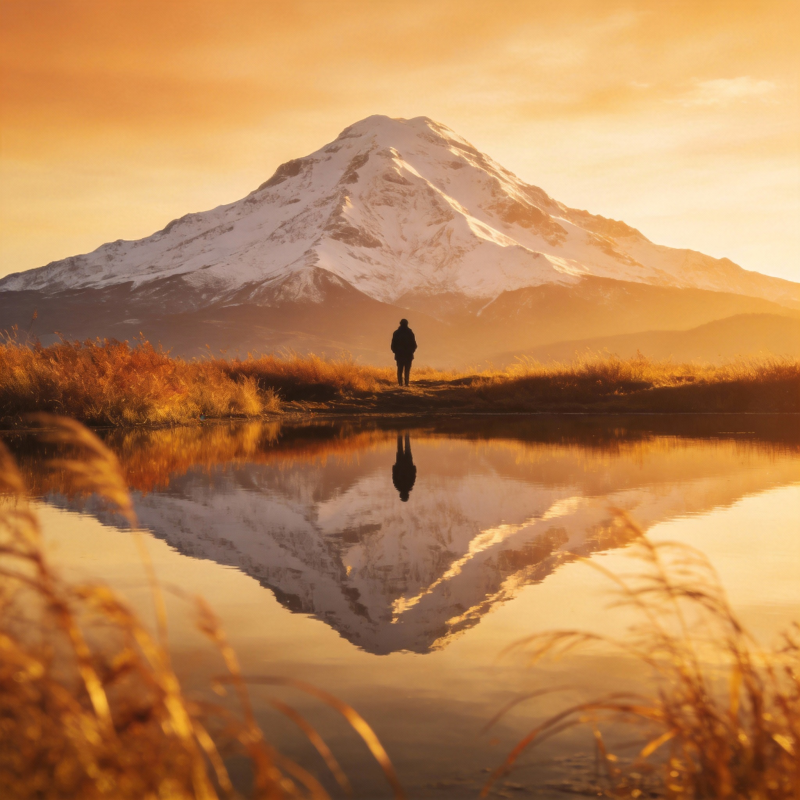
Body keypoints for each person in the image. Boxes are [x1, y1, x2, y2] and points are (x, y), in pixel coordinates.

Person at [390, 318, 417, 386]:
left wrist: (396, 351)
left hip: (400, 355)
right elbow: (414, 345)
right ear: (407, 324)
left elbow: (393, 345)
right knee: (407, 370)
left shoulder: (396, 333)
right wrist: (411, 351)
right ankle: (406, 383)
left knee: (400, 370)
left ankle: (400, 384)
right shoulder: (410, 332)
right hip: (408, 355)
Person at [392, 433, 416, 502]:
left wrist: (413, 467)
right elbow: (394, 475)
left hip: (408, 463)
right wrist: (394, 467)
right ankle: (400, 432)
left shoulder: (409, 485)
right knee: (400, 447)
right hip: (400, 463)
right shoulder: (398, 486)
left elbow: (413, 474)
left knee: (407, 447)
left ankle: (406, 433)